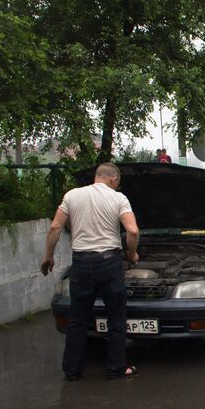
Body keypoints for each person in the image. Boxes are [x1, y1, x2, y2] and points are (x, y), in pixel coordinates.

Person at [41, 162, 140, 381]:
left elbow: (55, 227)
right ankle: (116, 368)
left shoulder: (72, 196)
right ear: (113, 179)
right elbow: (132, 230)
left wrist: (48, 256)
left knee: (77, 319)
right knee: (116, 317)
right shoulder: (118, 199)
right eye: (118, 182)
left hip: (81, 264)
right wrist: (132, 254)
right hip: (109, 263)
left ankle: (72, 370)